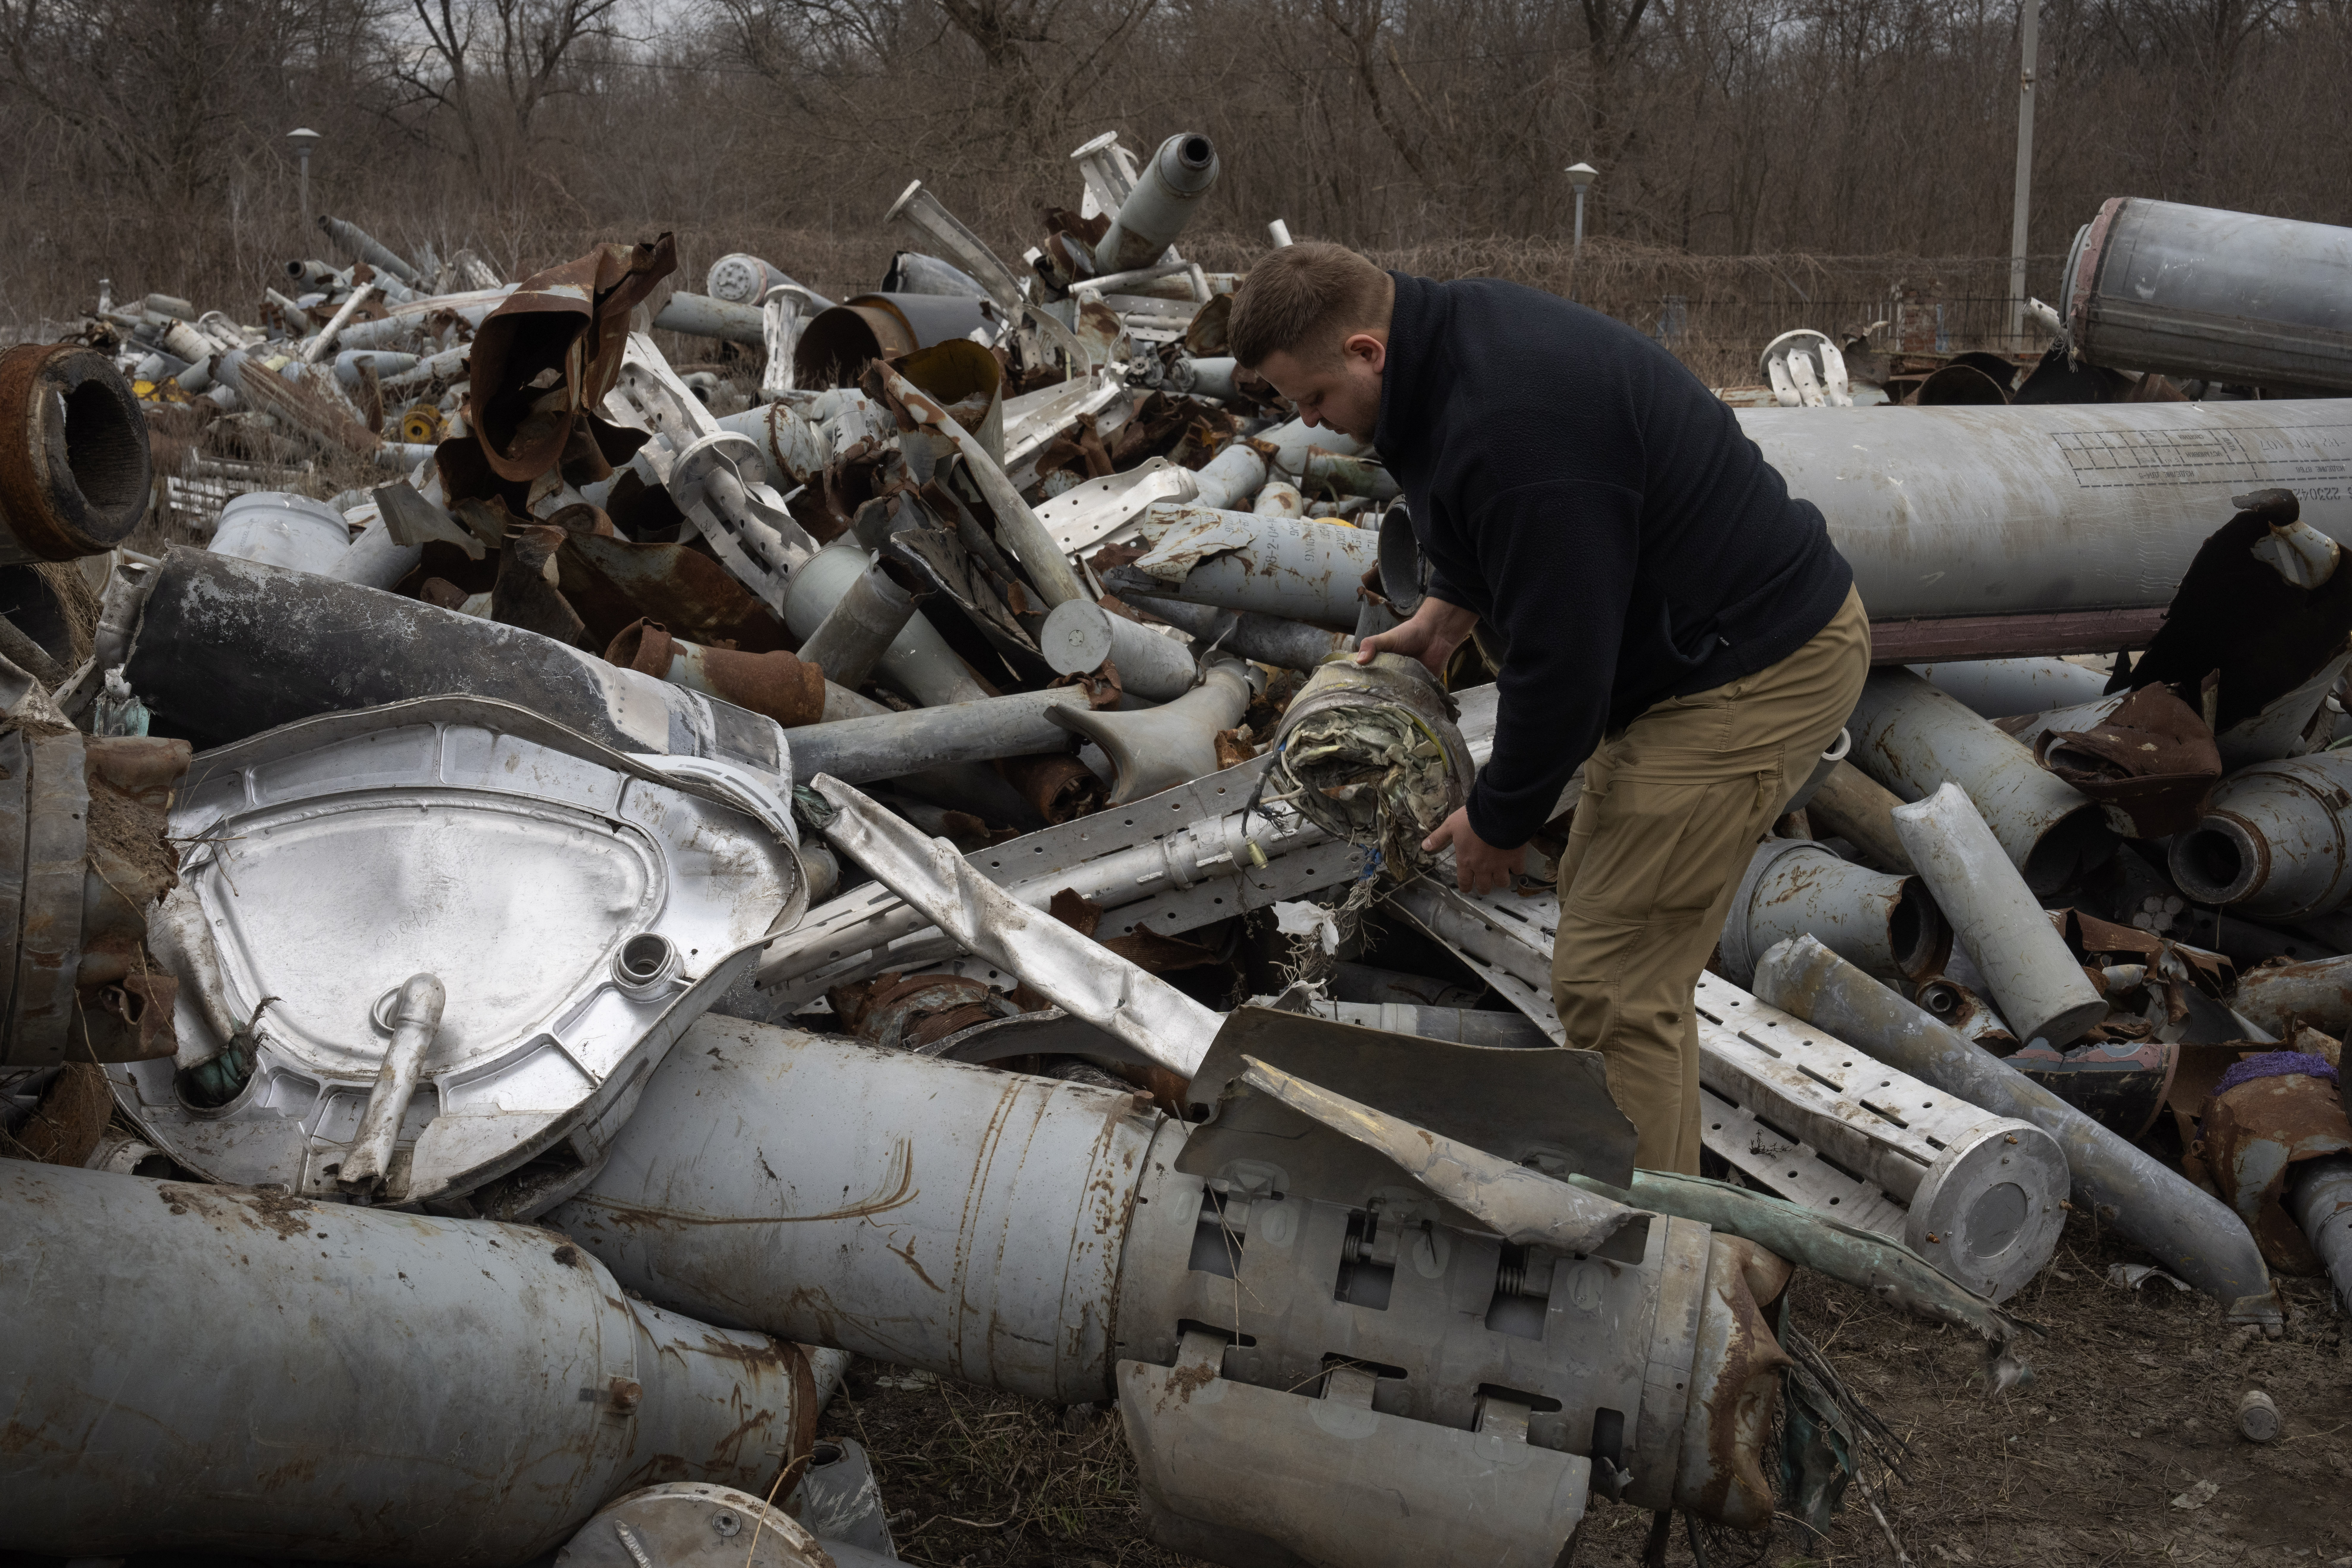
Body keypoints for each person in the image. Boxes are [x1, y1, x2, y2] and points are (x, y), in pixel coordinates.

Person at [1227, 243, 1868, 1173]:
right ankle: (1681, 1218)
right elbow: (1498, 524)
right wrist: (1448, 609)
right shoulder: (1443, 344)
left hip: (1754, 669)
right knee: (1623, 953)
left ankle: (1654, 1274)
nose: (1309, 422)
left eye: (1314, 397)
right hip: (1699, 653)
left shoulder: (1512, 424)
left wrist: (1500, 817)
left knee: (1612, 980)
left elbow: (1566, 668)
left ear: (1367, 350)